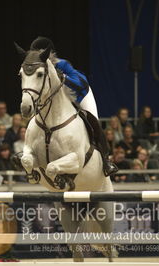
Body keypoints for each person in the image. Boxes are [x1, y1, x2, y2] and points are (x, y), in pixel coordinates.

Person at [29, 36, 117, 176]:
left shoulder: (62, 65)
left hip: (80, 96)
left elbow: (80, 84)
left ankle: (106, 162)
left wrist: (63, 78)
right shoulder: (37, 70)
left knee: (94, 122)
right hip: (62, 102)